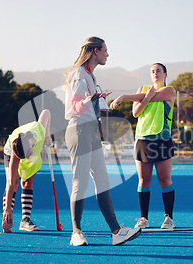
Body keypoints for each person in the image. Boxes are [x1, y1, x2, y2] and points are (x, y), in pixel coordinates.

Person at [64, 36, 141, 246]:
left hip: (91, 131)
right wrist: (90, 99)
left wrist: (100, 99)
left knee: (102, 180)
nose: (108, 54)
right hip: (79, 130)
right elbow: (77, 105)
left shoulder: (91, 76)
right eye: (105, 50)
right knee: (80, 181)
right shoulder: (79, 74)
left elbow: (89, 104)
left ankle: (116, 231)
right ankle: (76, 232)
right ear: (95, 51)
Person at [110, 63, 176, 229]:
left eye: (158, 71)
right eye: (152, 71)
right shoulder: (143, 89)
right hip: (143, 140)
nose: (155, 74)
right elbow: (136, 112)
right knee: (143, 180)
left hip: (162, 140)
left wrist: (124, 96)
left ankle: (169, 219)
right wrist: (145, 97)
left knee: (164, 179)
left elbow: (152, 97)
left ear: (165, 74)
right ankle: (143, 219)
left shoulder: (170, 91)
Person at [2, 109, 52, 233]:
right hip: (10, 152)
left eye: (27, 155)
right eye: (24, 158)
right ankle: (6, 218)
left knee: (27, 183)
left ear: (30, 145)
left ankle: (25, 220)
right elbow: (11, 182)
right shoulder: (17, 148)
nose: (26, 159)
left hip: (31, 150)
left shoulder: (38, 130)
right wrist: (7, 209)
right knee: (13, 186)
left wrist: (47, 135)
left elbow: (46, 112)